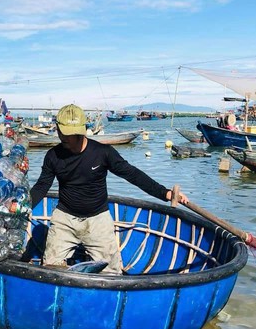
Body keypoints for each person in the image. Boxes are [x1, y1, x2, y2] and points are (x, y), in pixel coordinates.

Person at [29, 104, 189, 274]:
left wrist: (165, 193)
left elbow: (132, 174)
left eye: (70, 133)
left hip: (98, 219)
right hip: (65, 219)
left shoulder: (103, 153)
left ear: (82, 131)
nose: (65, 137)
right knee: (49, 269)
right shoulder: (53, 156)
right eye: (62, 132)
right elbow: (41, 187)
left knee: (112, 272)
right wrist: (24, 206)